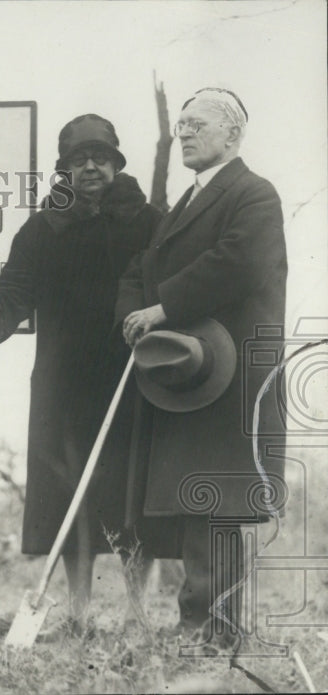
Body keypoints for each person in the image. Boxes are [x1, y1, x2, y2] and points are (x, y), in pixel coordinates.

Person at [0, 114, 163, 630]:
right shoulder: (43, 228)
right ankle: (79, 612)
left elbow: (171, 284)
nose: (90, 167)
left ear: (115, 165)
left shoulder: (148, 222)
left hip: (132, 376)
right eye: (79, 160)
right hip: (63, 381)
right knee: (69, 499)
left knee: (132, 497)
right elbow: (13, 290)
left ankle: (136, 612)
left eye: (100, 158)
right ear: (64, 170)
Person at [117, 88, 287, 648]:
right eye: (181, 125)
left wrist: (164, 307)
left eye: (197, 124)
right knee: (199, 499)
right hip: (192, 374)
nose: (184, 133)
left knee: (215, 500)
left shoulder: (253, 194)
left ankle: (214, 632)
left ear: (232, 135)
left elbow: (237, 261)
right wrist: (134, 317)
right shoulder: (185, 205)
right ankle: (204, 628)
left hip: (233, 374)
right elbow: (143, 268)